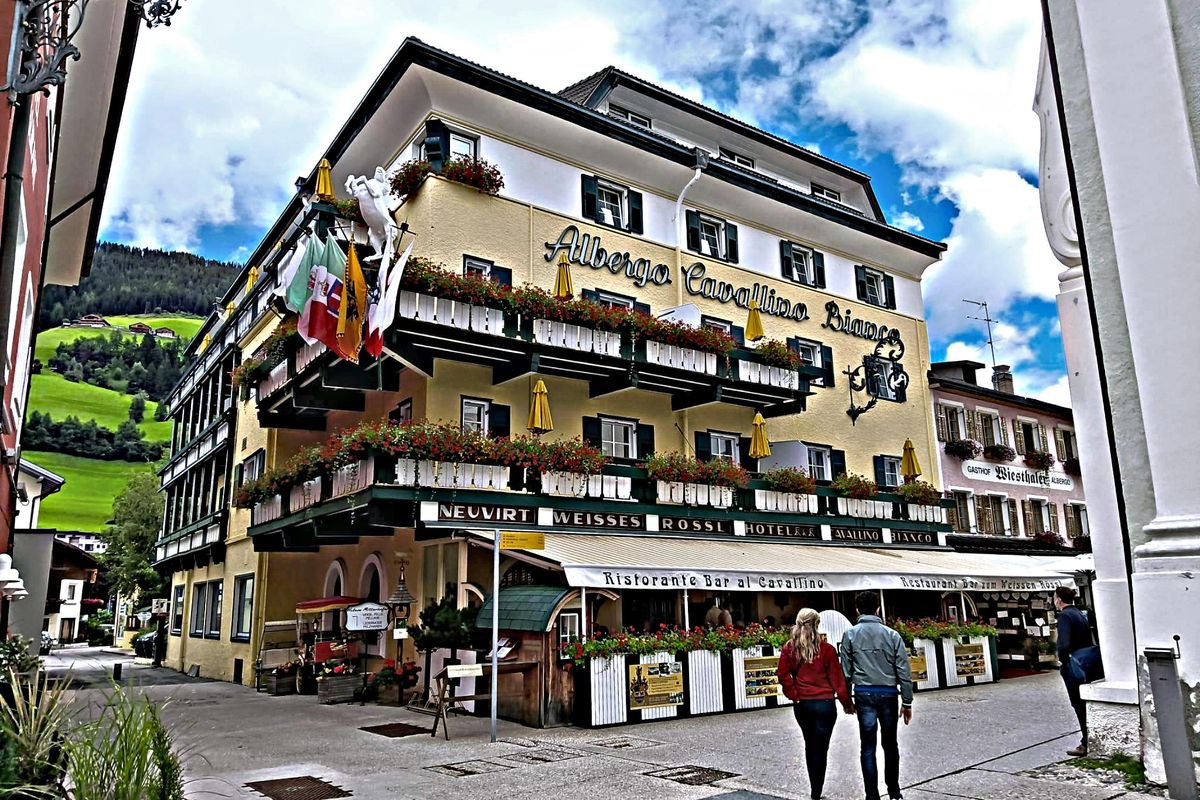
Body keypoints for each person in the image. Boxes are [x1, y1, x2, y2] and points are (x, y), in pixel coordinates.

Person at [839, 592, 913, 800]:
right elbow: (903, 671)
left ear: (857, 610)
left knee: (868, 746)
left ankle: (872, 794)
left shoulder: (850, 635)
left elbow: (846, 670)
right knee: (890, 744)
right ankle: (894, 791)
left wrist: (846, 700)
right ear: (878, 609)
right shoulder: (892, 635)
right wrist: (906, 701)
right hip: (889, 694)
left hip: (863, 694)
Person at [777, 609, 855, 800]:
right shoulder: (826, 649)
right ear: (817, 624)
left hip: (803, 704)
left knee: (810, 746)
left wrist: (794, 694)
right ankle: (817, 791)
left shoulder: (789, 648)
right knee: (822, 748)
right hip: (825, 703)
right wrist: (847, 703)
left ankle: (815, 790)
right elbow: (837, 680)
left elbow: (782, 674)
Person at [1054, 585, 1093, 756]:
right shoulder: (1078, 614)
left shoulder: (1064, 616)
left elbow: (1064, 643)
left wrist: (1063, 660)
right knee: (1084, 701)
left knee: (1078, 703)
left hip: (1074, 663)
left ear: (1059, 600)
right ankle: (1088, 738)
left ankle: (1086, 741)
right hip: (1086, 661)